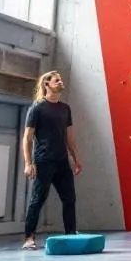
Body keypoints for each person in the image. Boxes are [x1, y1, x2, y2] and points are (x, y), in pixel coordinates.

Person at [22, 71, 82, 251]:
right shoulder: (37, 108)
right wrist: (28, 163)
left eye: (61, 80)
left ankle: (70, 233)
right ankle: (29, 238)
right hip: (44, 160)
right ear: (47, 84)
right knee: (38, 199)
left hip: (62, 160)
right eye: (57, 80)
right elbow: (27, 137)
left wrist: (76, 159)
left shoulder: (65, 108)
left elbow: (69, 136)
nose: (61, 82)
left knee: (69, 198)